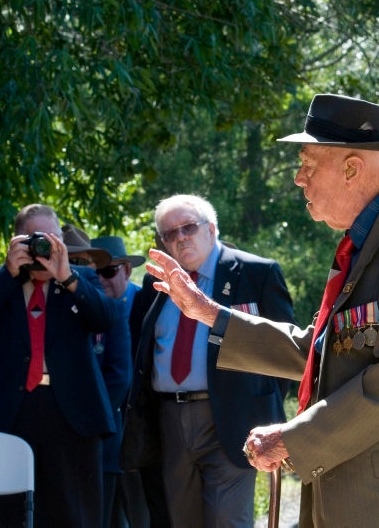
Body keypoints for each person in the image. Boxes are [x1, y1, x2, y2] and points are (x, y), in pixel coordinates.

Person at [146, 95, 379, 526]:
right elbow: (327, 351)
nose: (298, 178)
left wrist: (292, 438)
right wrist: (208, 312)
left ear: (351, 168)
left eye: (307, 162)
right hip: (371, 483)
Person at [123, 194, 295, 527]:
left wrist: (258, 405)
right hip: (169, 420)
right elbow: (140, 352)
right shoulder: (153, 283)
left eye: (188, 227)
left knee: (227, 520)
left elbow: (285, 356)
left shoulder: (255, 273)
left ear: (212, 228)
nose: (180, 237)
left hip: (233, 419)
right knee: (179, 520)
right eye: (169, 234)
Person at [0, 204, 123, 526]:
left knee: (71, 513)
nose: (43, 249)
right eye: (36, 240)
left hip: (71, 414)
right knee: (5, 512)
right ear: (18, 241)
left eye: (52, 239)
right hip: (9, 412)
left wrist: (67, 277)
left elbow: (107, 318)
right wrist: (7, 273)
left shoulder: (82, 279)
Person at [91, 235, 145, 528]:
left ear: (126, 269)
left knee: (141, 513)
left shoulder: (146, 302)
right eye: (94, 272)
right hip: (106, 428)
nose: (100, 279)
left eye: (108, 271)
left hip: (142, 428)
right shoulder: (88, 308)